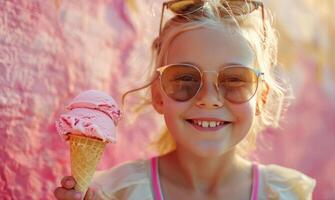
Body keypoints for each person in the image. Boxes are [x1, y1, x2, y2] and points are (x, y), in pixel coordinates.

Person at [54, 0, 316, 199]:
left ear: (261, 98)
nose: (209, 99)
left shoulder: (286, 193)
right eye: (185, 79)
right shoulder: (113, 192)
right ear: (158, 94)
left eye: (235, 80)